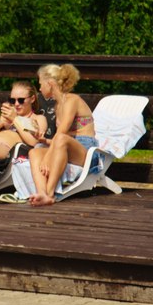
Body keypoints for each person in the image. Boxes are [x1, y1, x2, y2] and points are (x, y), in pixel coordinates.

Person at [27, 63, 97, 207]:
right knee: (34, 152)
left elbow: (62, 133)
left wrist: (48, 156)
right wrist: (45, 141)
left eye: (40, 84)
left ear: (50, 83)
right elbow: (61, 140)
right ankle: (42, 193)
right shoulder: (57, 106)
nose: (39, 88)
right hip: (66, 146)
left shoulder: (72, 100)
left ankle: (50, 194)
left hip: (86, 150)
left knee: (60, 138)